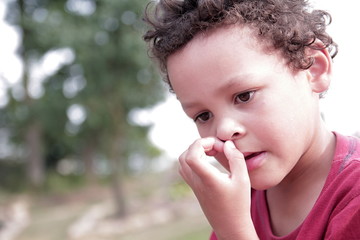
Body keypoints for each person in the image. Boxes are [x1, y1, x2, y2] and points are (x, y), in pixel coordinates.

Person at [143, 0, 360, 239]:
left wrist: (234, 232)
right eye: (203, 115)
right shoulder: (237, 204)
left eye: (244, 96)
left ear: (313, 68)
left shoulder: (354, 198)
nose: (224, 130)